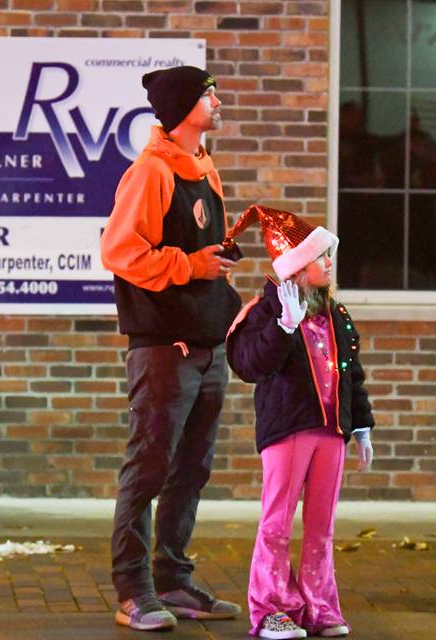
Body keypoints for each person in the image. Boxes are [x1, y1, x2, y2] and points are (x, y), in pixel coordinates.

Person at [100, 65, 243, 631]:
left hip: (208, 344)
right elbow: (119, 251)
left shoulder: (204, 166)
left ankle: (173, 581)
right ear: (184, 106)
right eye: (209, 93)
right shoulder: (151, 172)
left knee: (192, 469)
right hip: (164, 348)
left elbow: (201, 250)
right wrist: (189, 264)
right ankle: (133, 590)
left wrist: (220, 272)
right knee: (149, 468)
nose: (218, 99)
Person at [225, 205, 375, 639]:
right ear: (296, 267)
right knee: (277, 521)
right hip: (288, 430)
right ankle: (270, 608)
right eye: (321, 256)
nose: (329, 263)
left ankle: (319, 605)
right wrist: (282, 329)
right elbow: (249, 363)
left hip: (331, 431)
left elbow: (351, 373)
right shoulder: (263, 311)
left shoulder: (336, 315)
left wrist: (360, 424)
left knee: (321, 525)